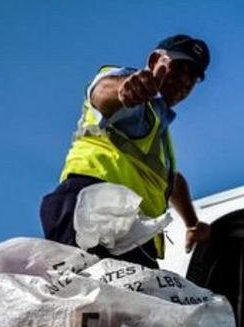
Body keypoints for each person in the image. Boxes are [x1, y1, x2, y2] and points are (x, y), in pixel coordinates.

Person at [40, 34, 212, 267]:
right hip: (94, 212)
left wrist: (192, 224)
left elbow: (172, 182)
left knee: (137, 299)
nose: (184, 79)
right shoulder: (136, 97)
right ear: (154, 61)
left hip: (130, 230)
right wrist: (124, 90)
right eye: (179, 67)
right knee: (100, 299)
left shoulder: (159, 129)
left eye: (192, 76)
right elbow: (102, 92)